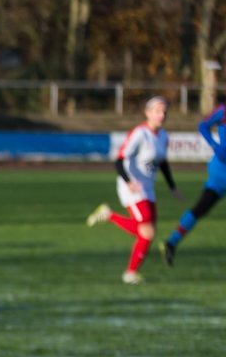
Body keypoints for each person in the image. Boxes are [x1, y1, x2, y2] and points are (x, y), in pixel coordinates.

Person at [86, 96, 180, 284]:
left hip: (148, 188)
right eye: (157, 111)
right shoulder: (139, 134)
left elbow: (163, 163)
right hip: (132, 187)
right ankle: (129, 273)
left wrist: (172, 186)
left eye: (164, 111)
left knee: (148, 232)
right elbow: (120, 159)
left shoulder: (163, 136)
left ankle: (131, 271)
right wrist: (128, 181)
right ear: (147, 113)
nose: (162, 115)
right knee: (147, 232)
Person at [163, 97, 226, 265]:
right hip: (221, 171)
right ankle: (171, 242)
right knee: (201, 208)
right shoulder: (223, 110)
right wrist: (214, 145)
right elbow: (203, 126)